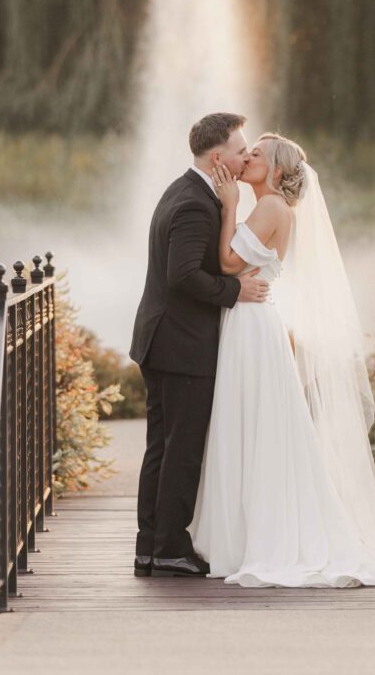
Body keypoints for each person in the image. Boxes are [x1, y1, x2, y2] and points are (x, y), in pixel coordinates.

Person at [188, 132, 375, 588]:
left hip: (253, 328)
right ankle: (237, 534)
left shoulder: (271, 207)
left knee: (255, 424)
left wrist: (228, 204)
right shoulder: (267, 206)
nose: (247, 158)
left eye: (256, 154)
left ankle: (262, 538)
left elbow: (228, 265)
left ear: (275, 169)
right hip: (247, 322)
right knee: (248, 424)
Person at [128, 112, 270, 578]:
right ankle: (169, 546)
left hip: (162, 339)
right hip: (181, 344)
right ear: (218, 158)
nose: (246, 155)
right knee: (182, 450)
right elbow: (183, 273)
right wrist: (236, 292)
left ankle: (149, 546)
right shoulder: (195, 203)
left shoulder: (182, 189)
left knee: (162, 448)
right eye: (240, 149)